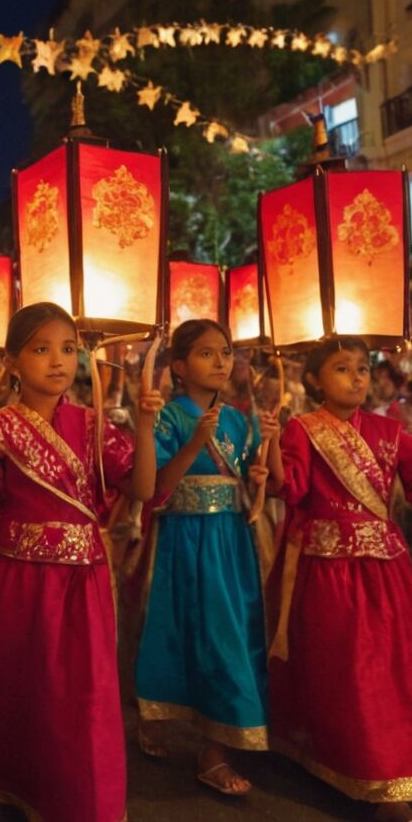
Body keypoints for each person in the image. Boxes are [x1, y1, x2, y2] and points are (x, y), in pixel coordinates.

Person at [266, 338, 412, 822]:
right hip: (329, 571)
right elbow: (292, 487)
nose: (357, 377)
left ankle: (389, 773)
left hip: (387, 572)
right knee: (348, 672)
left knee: (399, 670)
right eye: (342, 368)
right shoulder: (303, 430)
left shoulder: (388, 432)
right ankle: (364, 774)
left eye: (363, 369)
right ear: (314, 380)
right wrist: (270, 446)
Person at [0, 302, 163, 822]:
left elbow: (143, 489)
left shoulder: (94, 427)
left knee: (82, 701)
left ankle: (82, 803)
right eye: (41, 349)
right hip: (18, 583)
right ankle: (22, 793)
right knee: (25, 693)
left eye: (68, 349)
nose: (58, 361)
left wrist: (146, 421)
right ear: (12, 362)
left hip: (84, 583)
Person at [133, 320, 283, 795]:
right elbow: (156, 485)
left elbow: (263, 484)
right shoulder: (168, 416)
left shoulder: (241, 419)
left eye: (225, 352)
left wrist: (262, 467)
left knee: (231, 632)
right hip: (181, 538)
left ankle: (213, 748)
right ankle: (159, 711)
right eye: (206, 354)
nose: (221, 362)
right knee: (179, 631)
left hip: (231, 541)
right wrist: (196, 440)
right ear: (178, 367)